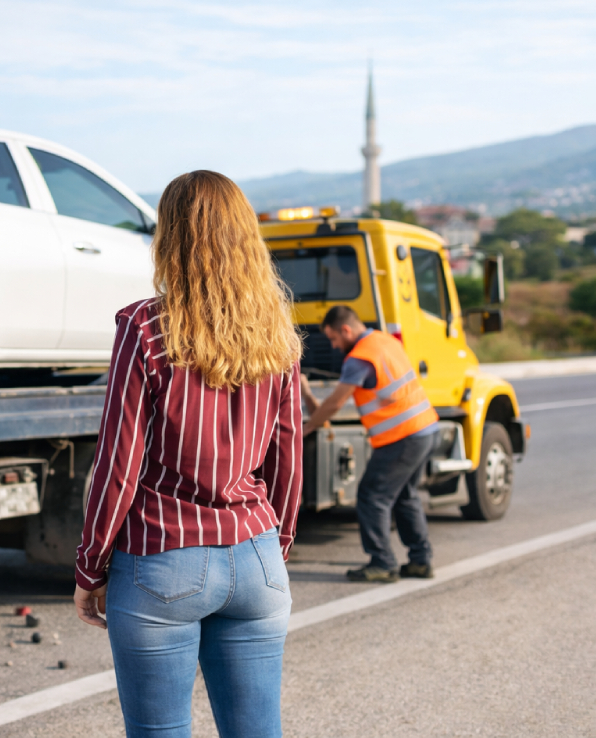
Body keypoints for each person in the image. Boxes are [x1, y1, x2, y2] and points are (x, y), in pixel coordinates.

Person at [72, 170, 303, 738]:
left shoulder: (145, 328)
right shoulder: (276, 330)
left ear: (169, 237)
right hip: (257, 553)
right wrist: (279, 545)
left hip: (162, 554)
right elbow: (289, 455)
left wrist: (90, 564)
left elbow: (118, 463)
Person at [300, 305, 440, 583]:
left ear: (346, 330)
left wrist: (308, 426)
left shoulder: (359, 359)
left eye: (334, 339)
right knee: (405, 497)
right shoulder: (385, 340)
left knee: (371, 497)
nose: (334, 345)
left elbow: (335, 403)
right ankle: (420, 561)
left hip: (402, 436)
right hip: (425, 428)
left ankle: (383, 563)